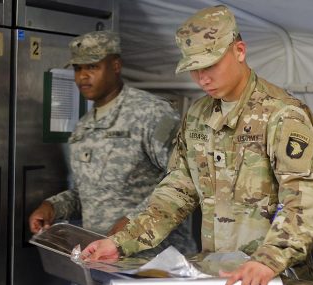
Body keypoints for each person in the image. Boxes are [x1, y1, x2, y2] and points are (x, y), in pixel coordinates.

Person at [82, 5, 313, 285]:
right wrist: (121, 243)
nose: (202, 78)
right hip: (217, 282)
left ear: (239, 51)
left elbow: (307, 200)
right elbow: (177, 190)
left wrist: (268, 260)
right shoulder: (199, 115)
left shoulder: (282, 114)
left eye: (210, 65)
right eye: (194, 68)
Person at [28, 30, 197, 255]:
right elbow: (90, 193)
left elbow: (185, 178)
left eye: (92, 67)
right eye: (78, 68)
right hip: (100, 259)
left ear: (116, 66)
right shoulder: (84, 127)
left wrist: (133, 221)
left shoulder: (151, 113)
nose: (82, 77)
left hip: (151, 264)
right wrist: (53, 207)